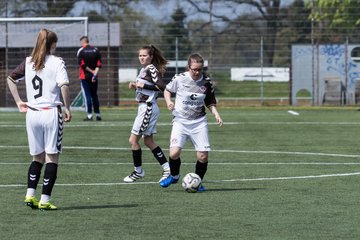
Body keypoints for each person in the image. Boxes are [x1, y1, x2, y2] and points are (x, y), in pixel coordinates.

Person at [7, 28, 71, 210]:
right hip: (51, 112)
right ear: (53, 44)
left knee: (37, 157)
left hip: (32, 114)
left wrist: (19, 102)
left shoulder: (28, 62)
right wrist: (67, 107)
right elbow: (64, 85)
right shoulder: (57, 61)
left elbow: (10, 78)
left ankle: (29, 196)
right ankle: (44, 199)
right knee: (52, 157)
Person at [159, 53, 223, 192]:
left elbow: (210, 101)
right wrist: (169, 101)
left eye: (200, 69)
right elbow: (167, 90)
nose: (197, 72)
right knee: (174, 153)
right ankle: (174, 176)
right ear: (189, 67)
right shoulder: (179, 79)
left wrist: (216, 113)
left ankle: (198, 182)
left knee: (203, 156)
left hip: (199, 122)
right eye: (194, 69)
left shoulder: (206, 82)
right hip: (180, 121)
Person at [123, 45, 170, 183]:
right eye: (140, 55)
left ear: (151, 57)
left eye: (144, 55)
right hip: (145, 107)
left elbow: (162, 86)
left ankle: (138, 171)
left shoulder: (151, 69)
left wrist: (141, 85)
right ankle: (167, 169)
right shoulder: (144, 70)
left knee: (133, 140)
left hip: (148, 108)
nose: (141, 57)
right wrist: (136, 85)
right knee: (148, 141)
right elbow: (147, 88)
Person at [77, 36, 102, 121]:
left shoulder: (81, 51)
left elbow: (82, 65)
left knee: (87, 95)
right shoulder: (96, 50)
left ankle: (89, 115)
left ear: (82, 42)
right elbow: (99, 64)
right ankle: (98, 115)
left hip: (84, 77)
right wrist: (95, 73)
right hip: (94, 77)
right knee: (94, 95)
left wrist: (91, 71)